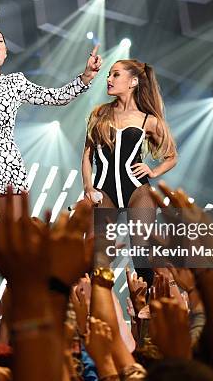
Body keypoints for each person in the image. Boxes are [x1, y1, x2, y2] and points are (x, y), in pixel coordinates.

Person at [0, 26, 102, 323]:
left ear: (6, 50)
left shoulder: (15, 83)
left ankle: (26, 320)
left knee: (19, 254)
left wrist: (86, 77)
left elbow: (56, 97)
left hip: (8, 171)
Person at [82, 59, 177, 280]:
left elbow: (172, 156)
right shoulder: (99, 113)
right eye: (109, 75)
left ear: (133, 81)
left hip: (137, 190)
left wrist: (153, 172)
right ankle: (95, 308)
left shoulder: (149, 121)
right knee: (98, 255)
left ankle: (151, 307)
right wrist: (88, 186)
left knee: (142, 254)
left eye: (115, 75)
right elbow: (87, 155)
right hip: (103, 190)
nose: (108, 79)